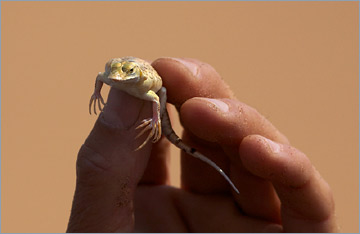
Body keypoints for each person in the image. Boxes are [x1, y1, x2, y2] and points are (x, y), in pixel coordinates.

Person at [66, 58, 339, 232]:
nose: (115, 77)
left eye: (123, 73)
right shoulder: (110, 74)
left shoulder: (143, 84)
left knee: (175, 122)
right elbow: (101, 78)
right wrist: (96, 92)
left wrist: (155, 120)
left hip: (157, 98)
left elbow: (156, 94)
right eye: (112, 72)